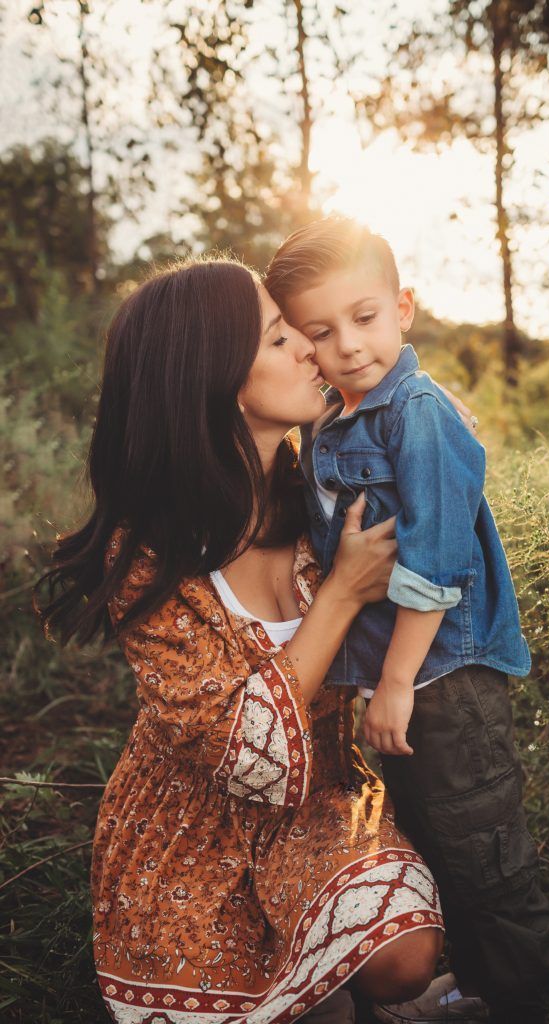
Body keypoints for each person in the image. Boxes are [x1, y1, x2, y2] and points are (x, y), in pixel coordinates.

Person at [37, 258, 447, 1024]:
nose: (307, 347)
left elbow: (444, 522)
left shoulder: (329, 492)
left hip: (321, 800)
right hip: (188, 833)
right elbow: (239, 751)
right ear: (214, 378)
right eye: (277, 337)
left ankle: (345, 984)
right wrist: (340, 595)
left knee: (401, 957)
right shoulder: (150, 555)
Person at [265, 216, 549, 1024]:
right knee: (438, 840)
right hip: (400, 675)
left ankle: (523, 1003)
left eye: (364, 317)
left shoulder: (414, 412)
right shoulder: (334, 415)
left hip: (440, 677)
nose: (349, 345)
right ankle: (474, 991)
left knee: (484, 856)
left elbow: (435, 562)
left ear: (404, 306)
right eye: (320, 332)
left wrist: (393, 683)